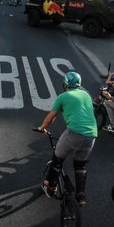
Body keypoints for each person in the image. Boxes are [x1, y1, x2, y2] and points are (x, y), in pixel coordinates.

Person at [36, 71, 97, 206]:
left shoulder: (63, 97)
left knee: (57, 159)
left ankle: (50, 187)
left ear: (65, 83)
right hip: (92, 134)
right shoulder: (86, 95)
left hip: (74, 132)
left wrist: (42, 128)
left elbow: (51, 117)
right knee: (80, 165)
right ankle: (81, 195)